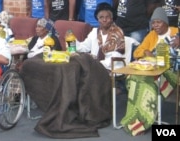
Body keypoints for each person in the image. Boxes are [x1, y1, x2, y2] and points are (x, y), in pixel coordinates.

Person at [121, 7, 179, 136]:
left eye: (158, 22)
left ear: (166, 22)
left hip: (169, 72)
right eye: (153, 22)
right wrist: (146, 52)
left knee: (146, 84)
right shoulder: (151, 35)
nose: (155, 25)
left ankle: (143, 120)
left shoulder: (176, 32)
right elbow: (137, 52)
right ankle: (134, 119)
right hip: (151, 70)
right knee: (134, 79)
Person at [76, 2, 125, 73]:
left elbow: (115, 58)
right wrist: (72, 42)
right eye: (101, 17)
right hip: (95, 66)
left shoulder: (118, 33)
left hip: (111, 68)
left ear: (112, 18)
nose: (104, 20)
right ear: (97, 19)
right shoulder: (95, 31)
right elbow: (84, 47)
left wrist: (95, 65)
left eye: (107, 17)